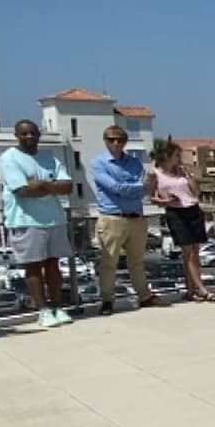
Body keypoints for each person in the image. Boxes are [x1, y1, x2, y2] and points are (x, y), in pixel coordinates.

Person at [0, 119, 77, 328]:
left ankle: (57, 306)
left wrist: (42, 184)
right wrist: (52, 187)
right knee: (33, 267)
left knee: (53, 264)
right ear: (17, 135)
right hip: (26, 220)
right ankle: (42, 310)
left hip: (53, 219)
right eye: (24, 134)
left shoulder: (49, 158)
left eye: (33, 133)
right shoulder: (10, 158)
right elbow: (23, 191)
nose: (29, 137)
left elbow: (68, 186)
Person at [88, 125, 164, 315]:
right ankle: (107, 300)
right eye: (112, 139)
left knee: (137, 261)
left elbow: (145, 187)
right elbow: (115, 187)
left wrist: (133, 188)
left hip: (136, 218)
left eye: (120, 139)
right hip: (112, 218)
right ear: (105, 141)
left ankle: (144, 296)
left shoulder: (135, 162)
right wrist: (137, 188)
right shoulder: (98, 163)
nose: (116, 143)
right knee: (109, 262)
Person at [149, 142, 215, 302]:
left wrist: (188, 176)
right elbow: (152, 198)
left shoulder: (182, 172)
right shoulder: (155, 174)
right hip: (176, 212)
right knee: (188, 252)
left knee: (195, 251)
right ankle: (201, 288)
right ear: (167, 156)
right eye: (177, 155)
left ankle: (191, 290)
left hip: (192, 209)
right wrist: (167, 201)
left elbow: (196, 192)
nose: (180, 159)